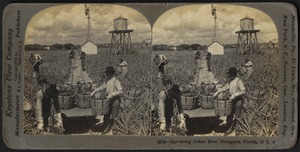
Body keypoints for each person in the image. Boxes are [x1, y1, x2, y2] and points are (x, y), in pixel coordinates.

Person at [90, 66, 123, 134]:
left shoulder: (116, 81)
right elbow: (102, 87)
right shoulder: (107, 80)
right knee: (106, 113)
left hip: (115, 100)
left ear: (111, 73)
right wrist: (95, 91)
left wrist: (112, 94)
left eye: (108, 73)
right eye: (107, 73)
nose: (107, 75)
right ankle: (105, 127)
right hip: (108, 100)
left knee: (115, 115)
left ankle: (114, 128)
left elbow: (120, 91)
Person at [213, 67, 246, 133]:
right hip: (232, 100)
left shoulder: (238, 81)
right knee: (229, 114)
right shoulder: (230, 80)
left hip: (238, 100)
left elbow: (243, 91)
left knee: (237, 115)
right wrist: (218, 91)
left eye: (231, 74)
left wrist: (235, 95)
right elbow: (225, 87)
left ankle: (236, 128)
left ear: (234, 74)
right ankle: (228, 126)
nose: (230, 75)